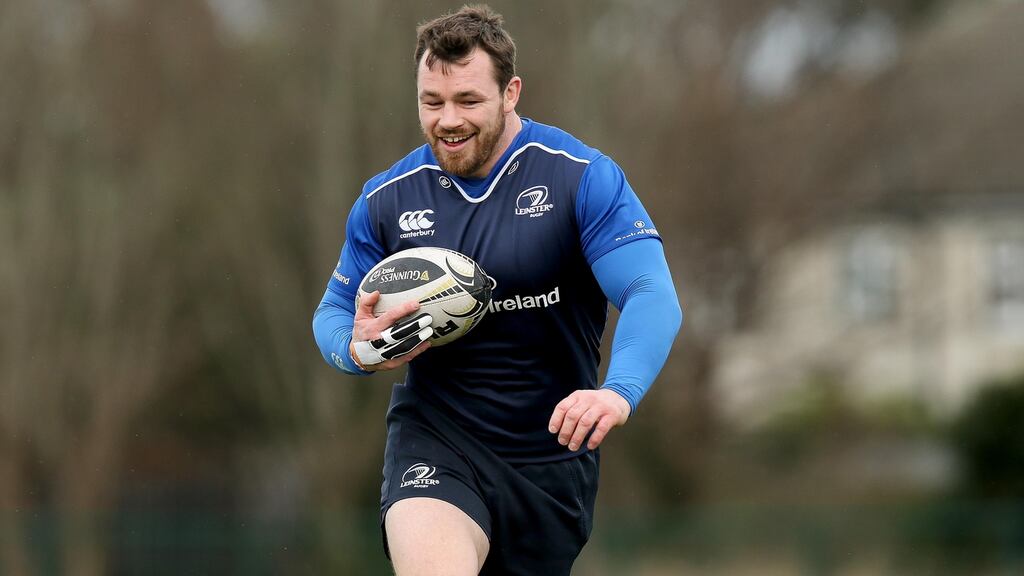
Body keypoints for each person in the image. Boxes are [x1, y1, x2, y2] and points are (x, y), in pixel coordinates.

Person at [313, 5, 682, 575]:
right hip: (436, 440)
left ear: (511, 93)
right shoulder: (386, 200)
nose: (447, 120)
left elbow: (650, 291)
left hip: (550, 460)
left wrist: (618, 392)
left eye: (468, 101)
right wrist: (357, 347)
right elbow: (334, 313)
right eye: (431, 102)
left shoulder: (578, 176)